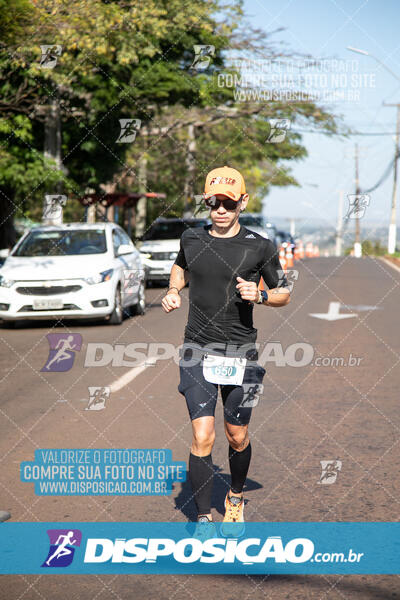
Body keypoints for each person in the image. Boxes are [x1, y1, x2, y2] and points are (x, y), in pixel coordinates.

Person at [161, 166, 290, 533]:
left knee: (237, 435)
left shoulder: (260, 246)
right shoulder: (191, 239)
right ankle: (202, 517)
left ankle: (234, 498)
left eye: (229, 203)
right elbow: (180, 268)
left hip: (240, 354)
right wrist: (173, 290)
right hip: (197, 350)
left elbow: (284, 291)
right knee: (203, 434)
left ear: (243, 202)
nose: (220, 209)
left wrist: (261, 295)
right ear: (206, 201)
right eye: (214, 202)